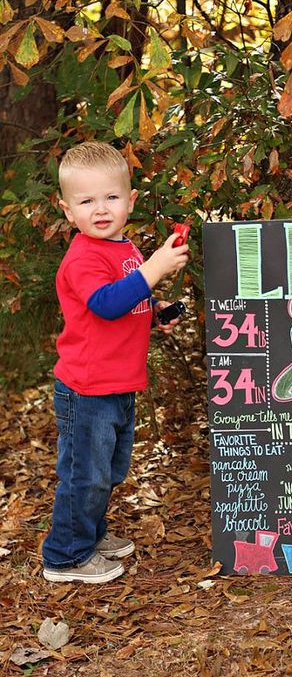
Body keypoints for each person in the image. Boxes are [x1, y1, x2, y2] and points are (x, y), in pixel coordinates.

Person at [42, 141, 189, 583]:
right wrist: (157, 268)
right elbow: (106, 304)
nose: (100, 209)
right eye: (86, 201)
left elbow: (128, 299)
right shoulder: (83, 256)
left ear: (130, 201)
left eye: (110, 197)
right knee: (85, 474)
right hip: (87, 388)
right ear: (68, 211)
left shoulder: (123, 250)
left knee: (106, 470)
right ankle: (66, 556)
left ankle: (88, 533)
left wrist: (155, 307)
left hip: (118, 383)